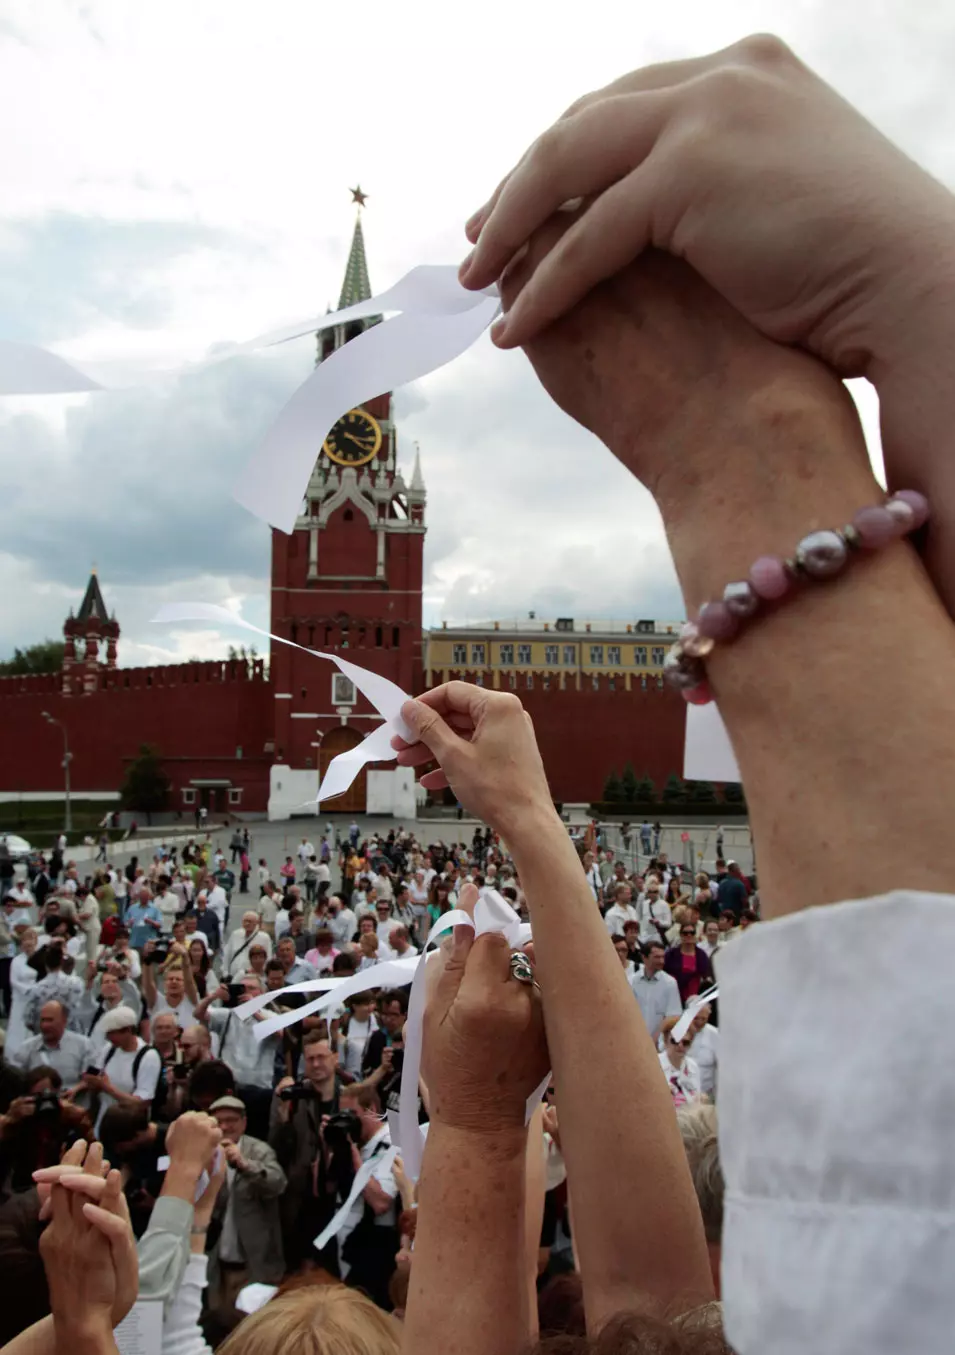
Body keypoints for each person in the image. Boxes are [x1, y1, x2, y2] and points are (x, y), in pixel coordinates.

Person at [207, 1095, 286, 1328]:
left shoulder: (260, 1151)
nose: (224, 1126)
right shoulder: (204, 1152)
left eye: (231, 1120)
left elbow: (278, 1183)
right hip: (216, 1265)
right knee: (219, 1328)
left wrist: (244, 1164)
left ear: (243, 1122)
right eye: (218, 1121)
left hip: (252, 1266)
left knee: (249, 1331)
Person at [269, 1032, 344, 1272]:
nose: (316, 1064)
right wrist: (283, 1116)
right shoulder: (292, 1095)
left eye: (321, 1057)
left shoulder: (350, 1095)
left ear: (335, 1058)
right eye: (310, 1059)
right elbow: (277, 1149)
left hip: (338, 1195)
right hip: (301, 1197)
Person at [334, 1080, 400, 1309]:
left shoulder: (392, 1141)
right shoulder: (359, 1143)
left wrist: (355, 1162)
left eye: (352, 1114)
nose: (347, 1120)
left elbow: (381, 1202)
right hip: (351, 1243)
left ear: (371, 1109)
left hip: (376, 1249)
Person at [194, 973, 282, 1140]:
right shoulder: (228, 1015)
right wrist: (213, 996)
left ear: (262, 993)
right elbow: (198, 1014)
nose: (246, 992)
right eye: (243, 988)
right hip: (231, 1088)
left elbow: (279, 1033)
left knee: (256, 1135)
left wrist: (254, 1010)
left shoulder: (270, 1016)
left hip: (259, 1090)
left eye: (252, 988)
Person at [80, 1004, 162, 1135]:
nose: (110, 1038)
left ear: (128, 1030)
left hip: (130, 1129)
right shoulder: (109, 1049)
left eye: (113, 1033)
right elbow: (98, 1075)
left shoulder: (148, 1056)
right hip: (104, 1122)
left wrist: (107, 1088)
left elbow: (141, 1103)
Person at [8, 999, 94, 1084]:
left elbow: (93, 1078)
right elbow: (15, 1081)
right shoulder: (26, 1048)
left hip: (72, 1096)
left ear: (64, 1021)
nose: (45, 1025)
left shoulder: (83, 1045)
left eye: (50, 1020)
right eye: (43, 1020)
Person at [630, 941, 682, 1041]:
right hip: (634, 1040)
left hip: (659, 1043)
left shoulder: (670, 983)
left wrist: (656, 1037)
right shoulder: (631, 981)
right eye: (657, 957)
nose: (661, 961)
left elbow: (673, 1016)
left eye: (663, 957)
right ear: (644, 958)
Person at [5, 925, 38, 1053]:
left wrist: (36, 989)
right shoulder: (16, 961)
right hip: (21, 997)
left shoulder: (40, 959)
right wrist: (28, 989)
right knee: (18, 1026)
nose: (28, 944)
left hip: (35, 997)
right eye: (26, 941)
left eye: (31, 941)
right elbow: (13, 981)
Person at [665, 923, 715, 1006]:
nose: (689, 935)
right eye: (685, 933)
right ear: (680, 935)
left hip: (695, 1000)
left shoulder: (701, 955)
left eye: (692, 933)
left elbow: (707, 977)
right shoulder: (671, 954)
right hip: (673, 997)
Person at [660, 1025, 703, 1108]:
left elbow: (697, 1095)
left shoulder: (693, 1066)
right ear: (665, 1042)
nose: (680, 1045)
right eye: (675, 1041)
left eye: (685, 1042)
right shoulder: (655, 1064)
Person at [223, 910, 273, 978]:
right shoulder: (235, 934)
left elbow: (268, 958)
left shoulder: (264, 937)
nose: (247, 923)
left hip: (253, 976)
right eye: (245, 921)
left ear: (256, 923)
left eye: (250, 921)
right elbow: (227, 954)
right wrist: (225, 972)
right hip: (233, 975)